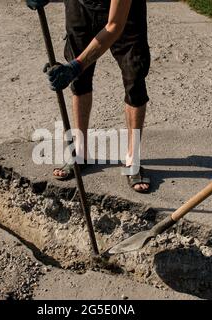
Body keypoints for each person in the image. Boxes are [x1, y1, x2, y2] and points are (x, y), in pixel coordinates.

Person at [27, 0, 151, 193]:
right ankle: (81, 152)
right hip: (80, 5)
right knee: (80, 81)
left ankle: (132, 159)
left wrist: (76, 66)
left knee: (134, 78)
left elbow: (114, 26)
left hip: (126, 15)